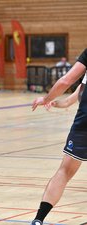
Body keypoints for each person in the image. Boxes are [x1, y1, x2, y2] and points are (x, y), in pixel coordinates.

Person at [31, 48, 87, 225]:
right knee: (65, 171)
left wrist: (46, 98)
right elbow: (77, 93)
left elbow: (66, 80)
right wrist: (58, 103)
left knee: (64, 171)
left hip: (84, 123)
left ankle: (38, 220)